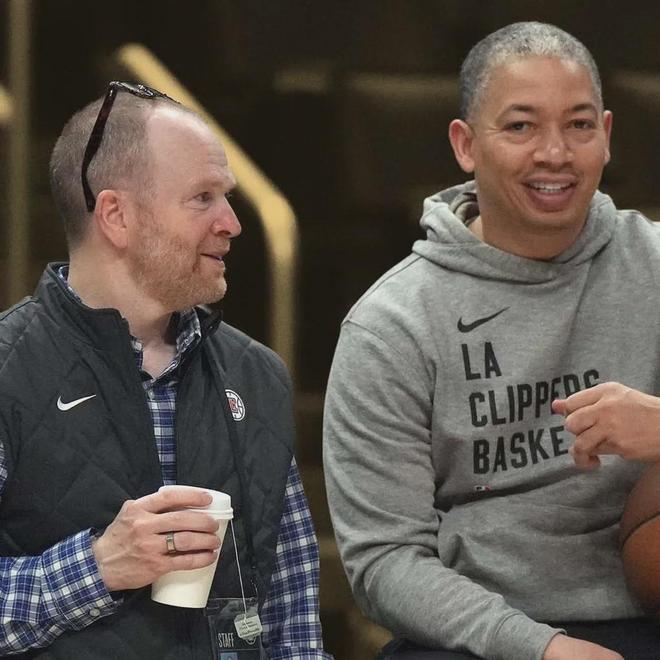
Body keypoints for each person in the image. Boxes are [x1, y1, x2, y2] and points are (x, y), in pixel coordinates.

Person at [323, 21, 660, 660]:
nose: (554, 153)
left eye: (579, 125)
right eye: (521, 126)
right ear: (466, 144)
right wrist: (540, 648)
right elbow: (383, 561)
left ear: (607, 136)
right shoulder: (391, 324)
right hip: (477, 637)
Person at [0, 81, 331, 659]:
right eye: (203, 198)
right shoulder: (9, 369)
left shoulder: (256, 376)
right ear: (117, 216)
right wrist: (99, 566)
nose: (232, 222)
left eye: (226, 197)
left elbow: (291, 620)